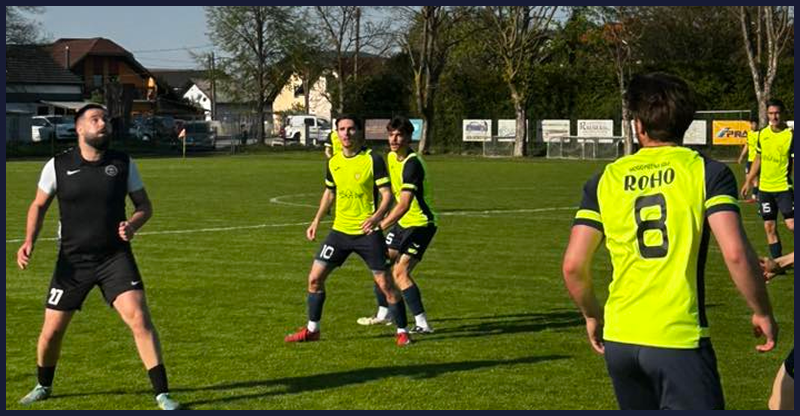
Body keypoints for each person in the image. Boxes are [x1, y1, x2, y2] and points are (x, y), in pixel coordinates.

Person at [562, 73, 778, 410]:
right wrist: (761, 310)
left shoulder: (604, 179)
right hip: (678, 338)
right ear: (686, 122)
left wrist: (592, 315)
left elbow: (573, 266)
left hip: (620, 340)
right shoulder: (707, 172)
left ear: (638, 126)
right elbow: (735, 253)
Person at [15, 104, 180, 410]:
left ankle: (162, 394)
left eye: (105, 119)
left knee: (139, 318)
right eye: (95, 120)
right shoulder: (58, 165)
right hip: (73, 261)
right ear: (79, 128)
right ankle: (43, 385)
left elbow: (144, 206)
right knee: (51, 332)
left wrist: (133, 225)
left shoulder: (123, 163)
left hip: (114, 258)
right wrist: (28, 242)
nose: (103, 124)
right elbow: (38, 205)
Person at [284, 115, 413, 347]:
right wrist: (316, 220)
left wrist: (376, 218)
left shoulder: (372, 159)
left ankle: (402, 331)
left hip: (367, 234)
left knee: (386, 285)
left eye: (351, 129)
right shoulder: (333, 162)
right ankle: (313, 330)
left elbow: (387, 195)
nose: (346, 133)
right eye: (342, 129)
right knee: (314, 279)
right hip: (339, 233)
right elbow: (329, 193)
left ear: (359, 132)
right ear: (337, 133)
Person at [357, 116, 437, 334]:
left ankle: (423, 324)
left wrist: (380, 225)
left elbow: (404, 204)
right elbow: (391, 194)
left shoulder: (412, 164)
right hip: (402, 224)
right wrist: (378, 215)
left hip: (421, 224)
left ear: (409, 137)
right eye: (391, 134)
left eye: (399, 135)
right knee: (381, 263)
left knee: (400, 273)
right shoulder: (391, 157)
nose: (394, 139)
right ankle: (384, 314)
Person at [741, 99, 794, 260]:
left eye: (777, 113)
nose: (774, 117)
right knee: (769, 226)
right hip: (765, 189)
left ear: (783, 113)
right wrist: (748, 181)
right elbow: (758, 159)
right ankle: (778, 264)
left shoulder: (791, 135)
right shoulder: (763, 134)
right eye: (771, 113)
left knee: (792, 224)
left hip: (783, 187)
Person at [737, 119, 760, 202]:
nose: (753, 126)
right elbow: (747, 145)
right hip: (749, 160)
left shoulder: (760, 134)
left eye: (754, 124)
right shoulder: (749, 134)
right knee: (748, 178)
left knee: (754, 179)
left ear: (757, 125)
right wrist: (741, 156)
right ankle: (748, 193)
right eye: (752, 124)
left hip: (756, 160)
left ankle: (754, 196)